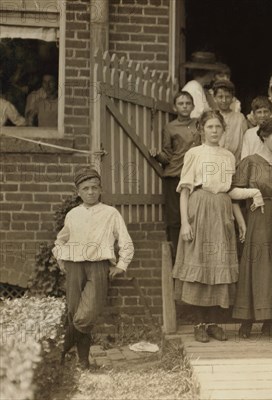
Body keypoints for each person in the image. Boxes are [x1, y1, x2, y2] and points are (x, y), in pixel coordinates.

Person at [171, 110, 262, 343]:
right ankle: (199, 324)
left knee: (218, 264)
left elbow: (230, 192)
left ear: (223, 130)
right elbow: (185, 191)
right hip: (199, 208)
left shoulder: (229, 156)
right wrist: (184, 223)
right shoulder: (194, 154)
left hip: (222, 211)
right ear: (201, 129)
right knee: (200, 264)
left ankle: (213, 323)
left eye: (217, 127)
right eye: (209, 127)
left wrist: (240, 220)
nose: (214, 131)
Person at [53, 167, 134, 368]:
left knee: (86, 314)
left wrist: (121, 265)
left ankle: (57, 352)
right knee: (74, 312)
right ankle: (83, 362)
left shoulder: (110, 213)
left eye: (94, 188)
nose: (90, 192)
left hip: (98, 267)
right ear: (78, 192)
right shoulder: (73, 214)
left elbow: (126, 242)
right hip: (74, 267)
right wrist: (61, 259)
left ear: (100, 190)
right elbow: (61, 240)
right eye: (86, 188)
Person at [233, 118, 272, 340]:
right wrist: (251, 198)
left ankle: (271, 322)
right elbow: (232, 193)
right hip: (257, 217)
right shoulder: (249, 162)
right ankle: (247, 320)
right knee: (257, 266)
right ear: (264, 136)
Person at [150, 91, 201, 253]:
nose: (185, 106)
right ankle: (176, 257)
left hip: (196, 177)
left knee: (196, 216)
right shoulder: (170, 127)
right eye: (181, 103)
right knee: (175, 218)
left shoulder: (199, 124)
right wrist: (157, 155)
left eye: (188, 103)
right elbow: (168, 155)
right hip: (175, 175)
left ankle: (193, 254)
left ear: (193, 106)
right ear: (175, 107)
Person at [212, 80, 247, 163]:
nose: (224, 100)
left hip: (234, 163)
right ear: (214, 98)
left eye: (227, 97)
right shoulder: (211, 117)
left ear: (232, 98)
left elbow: (245, 141)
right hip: (214, 161)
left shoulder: (239, 117)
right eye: (220, 97)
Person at [181, 52, 220, 118]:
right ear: (206, 72)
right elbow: (196, 116)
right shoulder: (193, 88)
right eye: (212, 72)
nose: (213, 77)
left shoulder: (199, 88)